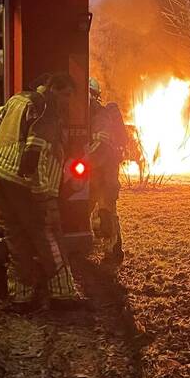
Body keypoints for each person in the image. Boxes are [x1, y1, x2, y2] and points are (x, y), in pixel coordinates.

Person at [0, 72, 85, 310]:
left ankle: (21, 297)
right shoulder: (48, 108)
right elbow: (34, 151)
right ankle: (63, 295)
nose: (67, 101)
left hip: (1, 175)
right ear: (53, 87)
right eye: (66, 95)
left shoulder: (18, 100)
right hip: (26, 183)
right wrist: (39, 190)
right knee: (48, 235)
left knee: (15, 235)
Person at [86, 77, 127, 263]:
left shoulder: (100, 116)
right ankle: (108, 249)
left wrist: (83, 162)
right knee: (98, 212)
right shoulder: (87, 115)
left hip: (103, 176)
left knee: (106, 213)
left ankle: (113, 252)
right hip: (96, 176)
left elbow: (101, 148)